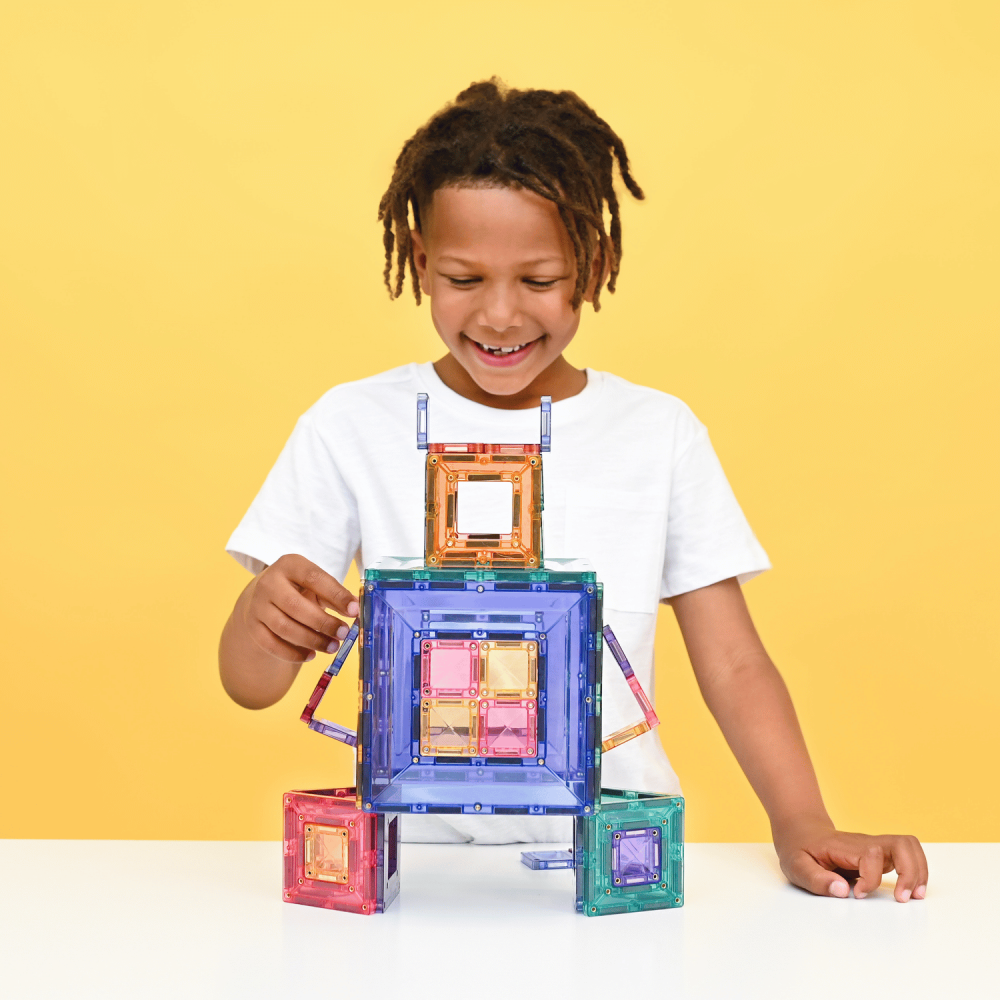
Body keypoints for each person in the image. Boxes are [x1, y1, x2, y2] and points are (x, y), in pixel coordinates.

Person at [220, 79, 927, 901]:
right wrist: (263, 620)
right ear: (419, 263)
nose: (500, 314)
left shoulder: (659, 432)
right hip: (421, 868)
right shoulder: (351, 424)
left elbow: (736, 664)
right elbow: (250, 684)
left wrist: (802, 820)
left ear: (595, 265)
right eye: (463, 278)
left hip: (612, 862)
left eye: (539, 279)